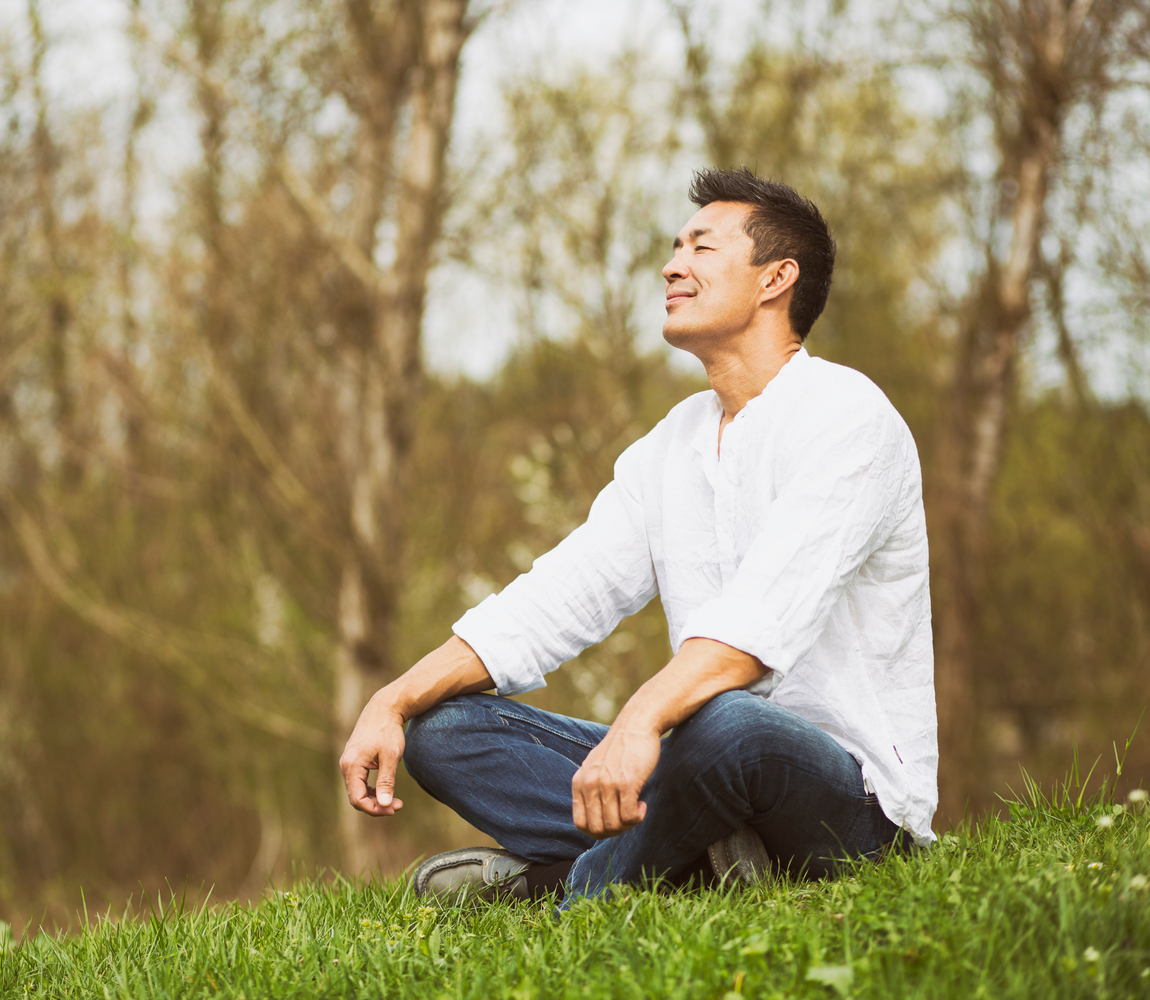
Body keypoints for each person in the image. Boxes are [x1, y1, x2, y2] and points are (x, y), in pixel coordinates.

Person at [338, 167, 936, 907]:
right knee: (445, 729)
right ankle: (701, 863)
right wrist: (392, 702)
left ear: (776, 279)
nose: (671, 264)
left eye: (702, 247)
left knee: (727, 723)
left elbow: (754, 632)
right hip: (698, 763)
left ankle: (568, 895)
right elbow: (557, 598)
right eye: (675, 245)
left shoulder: (848, 417)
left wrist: (641, 720)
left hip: (848, 807)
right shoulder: (672, 446)